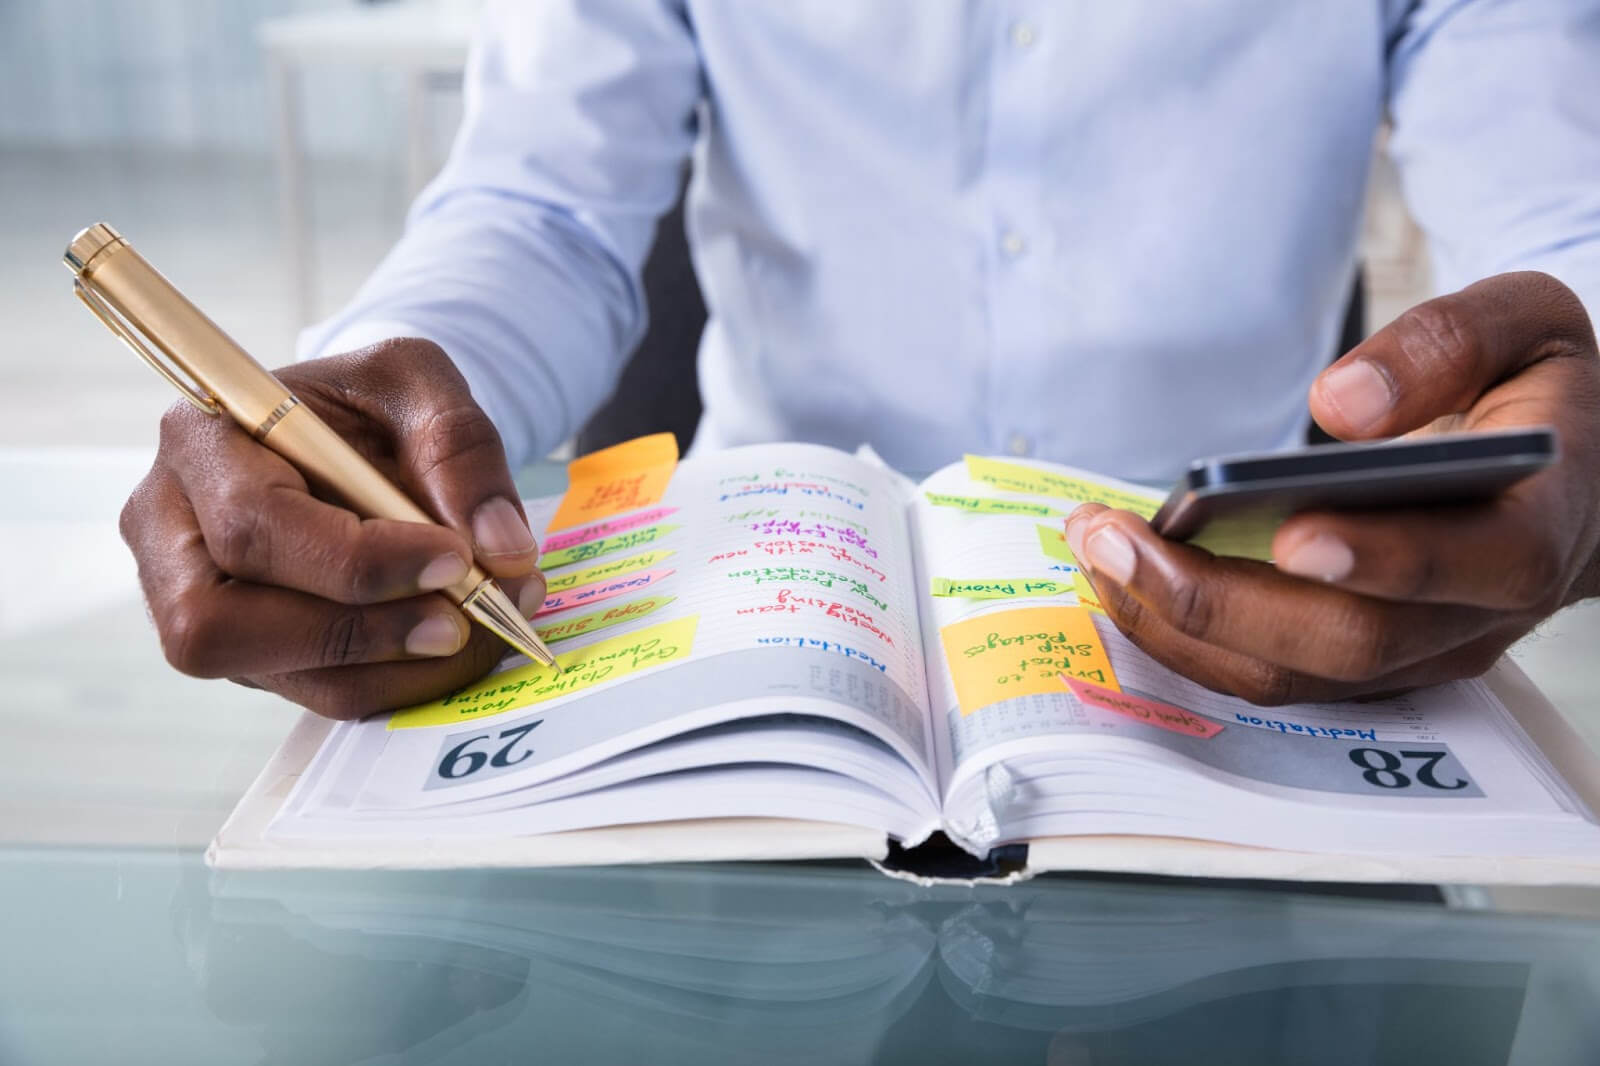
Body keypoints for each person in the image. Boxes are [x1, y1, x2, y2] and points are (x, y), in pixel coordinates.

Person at [119, 2, 1600, 718]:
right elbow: (543, 203)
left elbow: (1562, 217)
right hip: (765, 639)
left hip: (1255, 638)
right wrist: (382, 397)